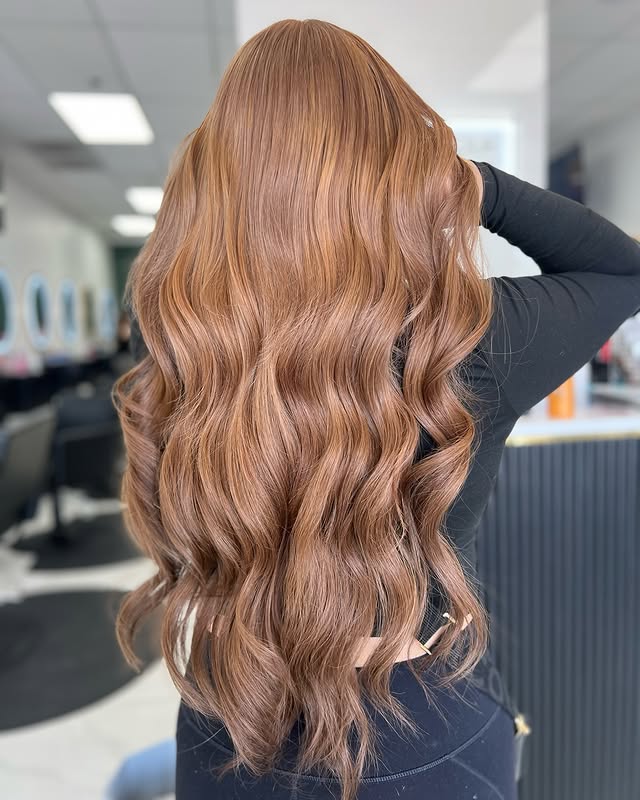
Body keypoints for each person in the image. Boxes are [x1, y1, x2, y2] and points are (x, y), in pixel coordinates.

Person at [112, 18, 640, 800]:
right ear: (394, 171)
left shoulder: (182, 337)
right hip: (426, 738)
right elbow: (622, 270)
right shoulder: (468, 340)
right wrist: (469, 181)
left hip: (230, 713)